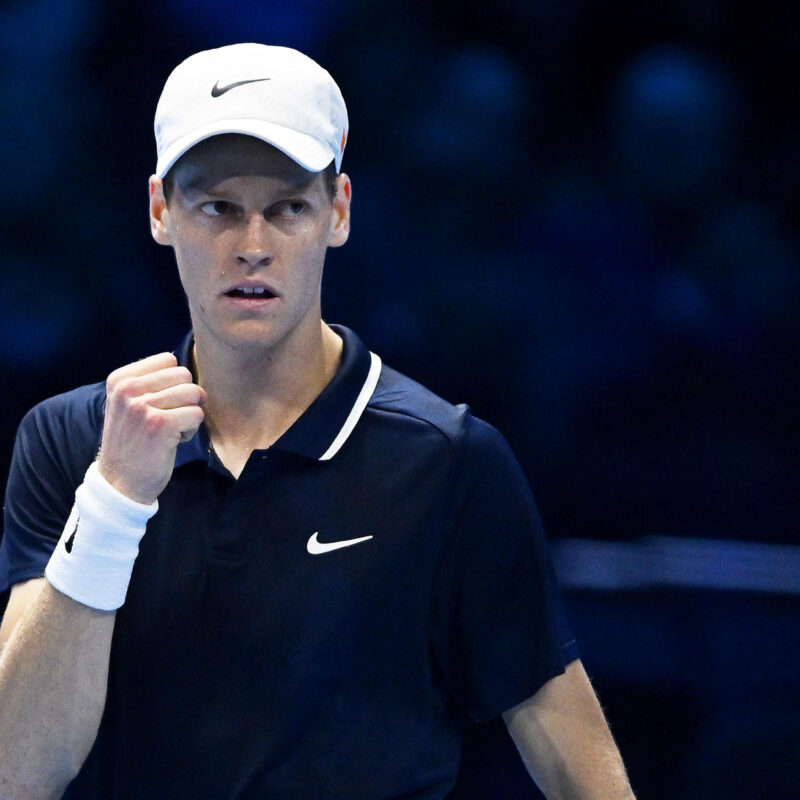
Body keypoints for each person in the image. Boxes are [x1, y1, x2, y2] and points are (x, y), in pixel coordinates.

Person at [0, 43, 635, 800]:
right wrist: (112, 502)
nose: (253, 246)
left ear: (338, 212)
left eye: (287, 208)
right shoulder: (72, 441)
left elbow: (582, 770)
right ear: (160, 211)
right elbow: (18, 773)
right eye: (218, 208)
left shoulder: (448, 460)